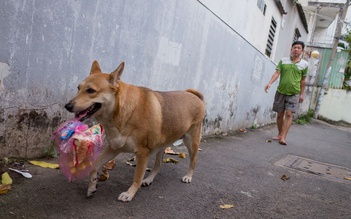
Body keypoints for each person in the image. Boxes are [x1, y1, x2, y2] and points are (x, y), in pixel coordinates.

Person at [264, 41, 308, 145]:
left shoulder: (304, 64)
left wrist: (301, 94)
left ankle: (283, 137)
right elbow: (277, 73)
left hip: (294, 93)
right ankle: (280, 133)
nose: (296, 49)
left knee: (289, 114)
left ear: (302, 51)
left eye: (298, 48)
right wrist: (269, 83)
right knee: (279, 115)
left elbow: (303, 80)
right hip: (281, 91)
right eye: (294, 47)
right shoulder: (283, 61)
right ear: (291, 49)